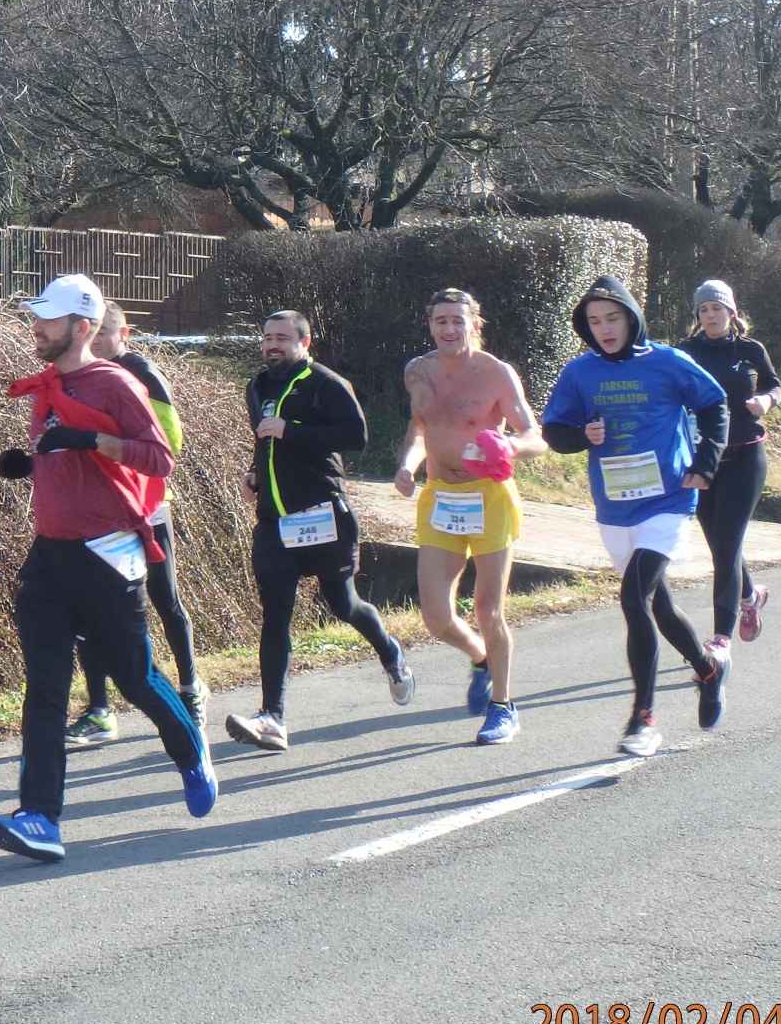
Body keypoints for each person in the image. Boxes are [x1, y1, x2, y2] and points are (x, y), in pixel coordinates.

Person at [0, 274, 215, 862]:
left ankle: (190, 750)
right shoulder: (47, 386)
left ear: (82, 327)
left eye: (47, 318)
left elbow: (159, 458)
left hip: (107, 556)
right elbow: (61, 455)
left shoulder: (115, 384)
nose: (36, 327)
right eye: (36, 317)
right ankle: (40, 818)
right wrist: (32, 463)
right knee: (45, 688)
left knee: (135, 678)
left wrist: (91, 439)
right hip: (50, 556)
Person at [541, 276, 731, 757]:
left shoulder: (668, 362)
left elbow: (715, 405)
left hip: (668, 499)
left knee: (632, 598)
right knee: (657, 606)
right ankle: (708, 668)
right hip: (615, 505)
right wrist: (582, 435)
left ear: (631, 318)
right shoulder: (580, 372)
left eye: (613, 318)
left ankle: (643, 718)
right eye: (594, 322)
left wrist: (706, 462)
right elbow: (554, 430)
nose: (605, 329)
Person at [226, 311, 417, 754]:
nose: (273, 346)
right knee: (276, 616)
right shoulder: (258, 386)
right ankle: (272, 718)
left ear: (305, 342)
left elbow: (355, 436)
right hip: (274, 522)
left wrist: (290, 430)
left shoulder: (326, 383)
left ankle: (391, 654)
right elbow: (265, 441)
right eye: (267, 338)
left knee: (343, 604)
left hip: (322, 516)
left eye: (282, 338)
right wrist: (255, 473)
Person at [391, 289, 548, 746]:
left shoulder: (496, 373)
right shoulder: (417, 372)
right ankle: (480, 658)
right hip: (441, 497)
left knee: (487, 609)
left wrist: (510, 445)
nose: (449, 328)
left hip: (489, 498)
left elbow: (535, 436)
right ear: (430, 325)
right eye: (440, 320)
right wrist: (408, 465)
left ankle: (503, 707)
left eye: (458, 320)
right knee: (435, 617)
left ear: (474, 324)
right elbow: (419, 428)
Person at [66, 302, 207, 746]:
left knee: (165, 599)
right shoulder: (79, 376)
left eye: (106, 333)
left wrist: (110, 448)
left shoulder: (142, 374)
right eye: (93, 333)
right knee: (88, 610)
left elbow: (170, 442)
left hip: (147, 507)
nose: (98, 342)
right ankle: (99, 711)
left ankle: (190, 688)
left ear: (124, 334)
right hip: (97, 511)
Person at [677, 279, 781, 646]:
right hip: (703, 461)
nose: (710, 315)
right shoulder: (685, 352)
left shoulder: (751, 349)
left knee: (726, 546)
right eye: (703, 310)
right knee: (722, 546)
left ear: (731, 312)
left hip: (745, 456)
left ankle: (721, 640)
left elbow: (774, 385)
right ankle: (751, 598)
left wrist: (766, 401)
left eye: (716, 308)